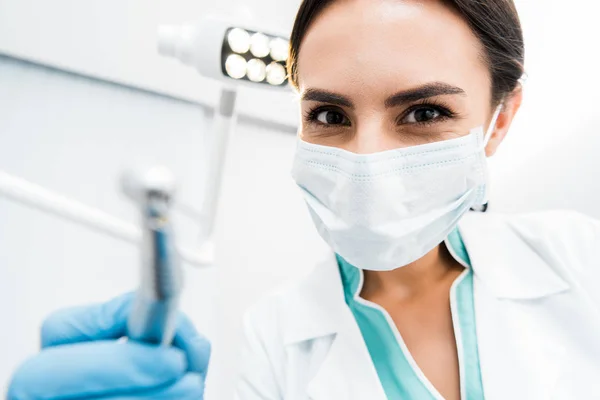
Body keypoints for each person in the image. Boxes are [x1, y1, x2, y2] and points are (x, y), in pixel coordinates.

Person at [8, 0, 600, 399]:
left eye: (424, 113)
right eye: (329, 114)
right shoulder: (271, 339)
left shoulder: (580, 260)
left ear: (499, 120)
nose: (365, 160)